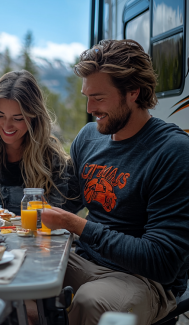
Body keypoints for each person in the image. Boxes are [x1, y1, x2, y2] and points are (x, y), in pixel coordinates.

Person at [42, 39, 189, 324]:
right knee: (17, 276)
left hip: (144, 280)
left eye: (98, 97)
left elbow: (162, 262)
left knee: (90, 302)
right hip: (84, 258)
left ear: (133, 92)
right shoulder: (88, 137)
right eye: (87, 96)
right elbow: (66, 202)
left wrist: (77, 226)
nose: (90, 107)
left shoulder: (173, 151)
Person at [0, 70, 70, 214]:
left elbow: (60, 219)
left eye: (18, 118)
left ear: (34, 117)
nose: (7, 126)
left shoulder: (53, 159)